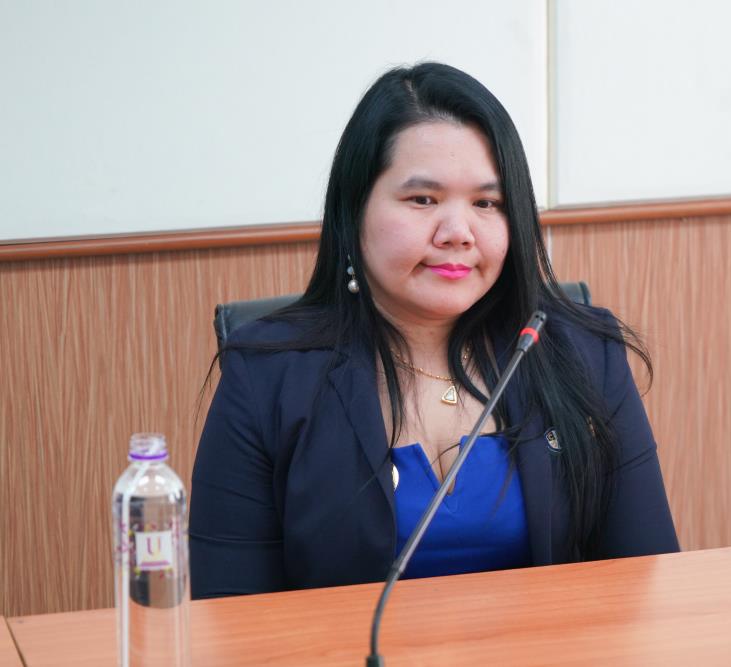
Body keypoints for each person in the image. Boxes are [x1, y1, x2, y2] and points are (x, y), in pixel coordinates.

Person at [189, 62, 679, 599]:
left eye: (486, 203)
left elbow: (646, 579)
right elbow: (230, 613)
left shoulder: (584, 352)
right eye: (422, 200)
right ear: (354, 211)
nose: (458, 233)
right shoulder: (265, 377)